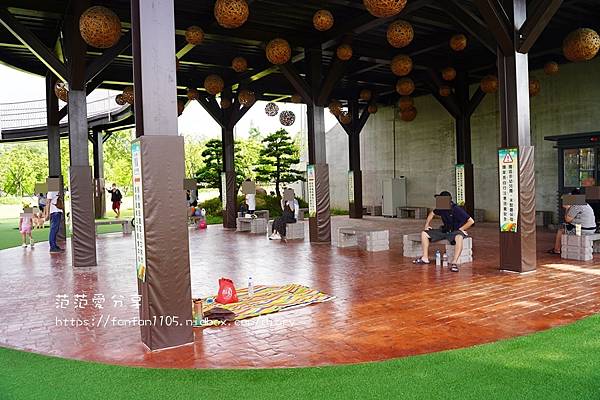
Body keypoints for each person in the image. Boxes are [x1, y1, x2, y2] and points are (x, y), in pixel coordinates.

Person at [413, 191, 475, 272]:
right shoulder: (441, 208)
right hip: (444, 230)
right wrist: (427, 225)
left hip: (455, 231)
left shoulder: (456, 209)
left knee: (459, 237)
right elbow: (432, 213)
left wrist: (461, 229)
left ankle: (454, 263)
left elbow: (471, 221)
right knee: (424, 234)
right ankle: (425, 258)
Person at [548, 188, 597, 255]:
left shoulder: (576, 205)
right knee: (566, 226)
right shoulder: (585, 203)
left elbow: (567, 219)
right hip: (592, 228)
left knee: (561, 230)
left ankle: (557, 250)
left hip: (583, 229)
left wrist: (567, 208)